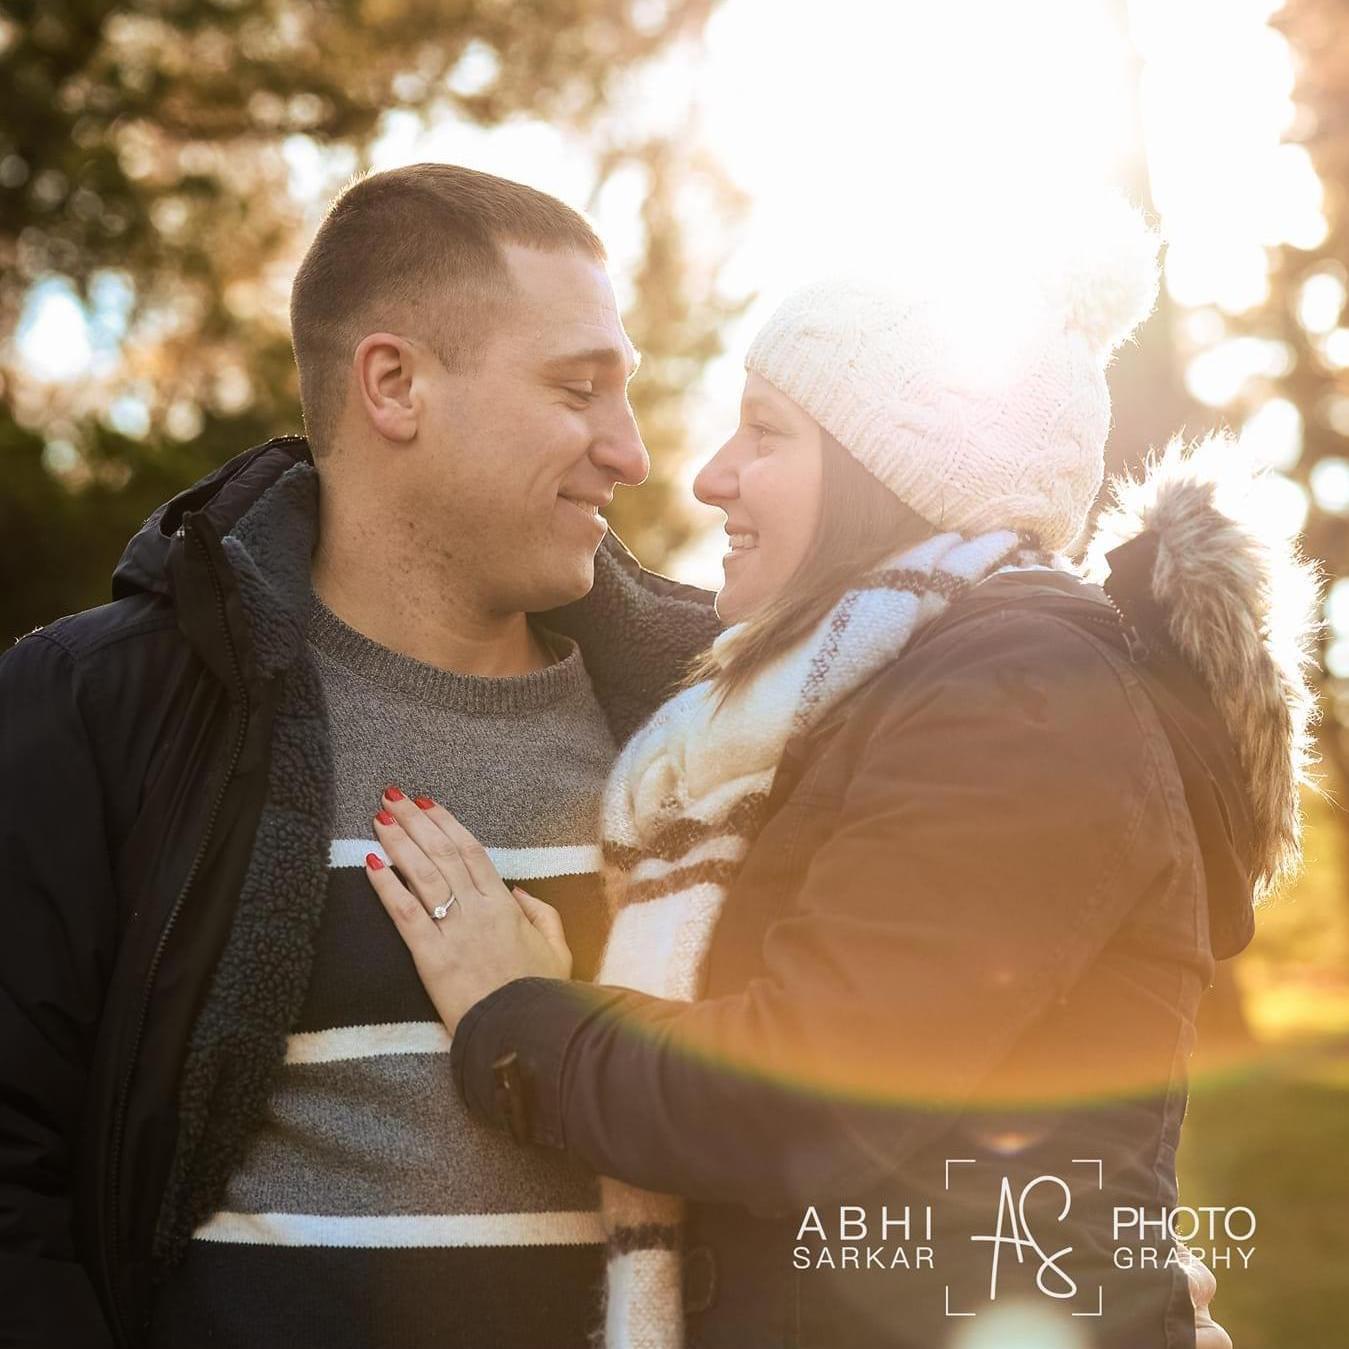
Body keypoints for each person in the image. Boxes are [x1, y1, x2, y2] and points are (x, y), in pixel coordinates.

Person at [362, 203, 1316, 1347]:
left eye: (765, 432)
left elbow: (807, 1092)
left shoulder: (1022, 697)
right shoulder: (875, 702)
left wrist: (515, 1017)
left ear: (890, 475)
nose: (710, 475)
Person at [0, 163, 722, 1348]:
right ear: (394, 384)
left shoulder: (716, 716)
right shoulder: (93, 706)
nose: (632, 453)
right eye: (577, 389)